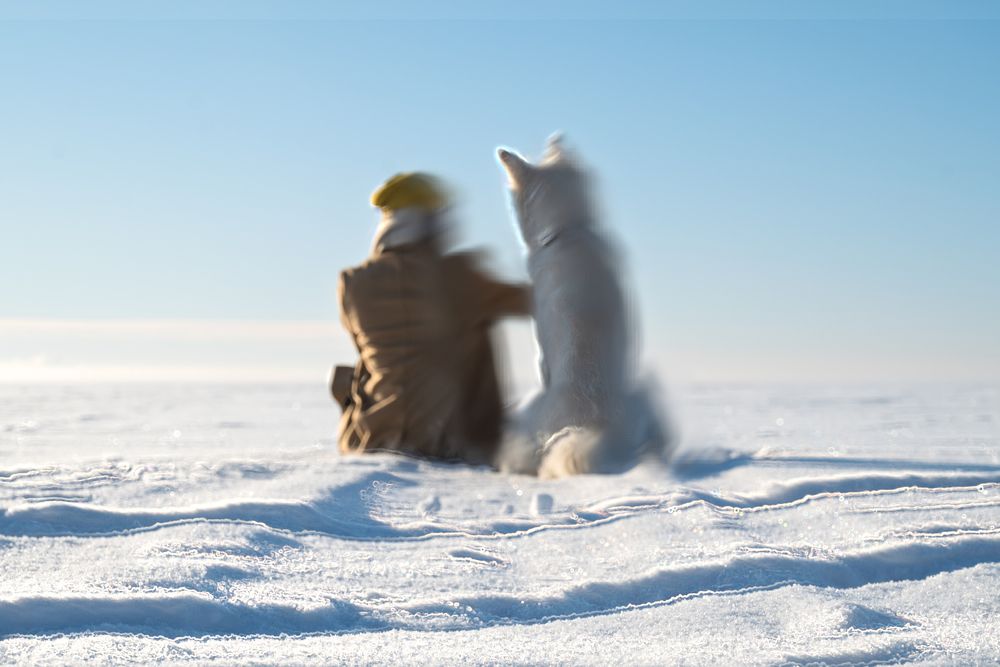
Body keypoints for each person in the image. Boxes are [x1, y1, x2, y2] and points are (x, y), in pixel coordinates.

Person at [332, 172, 530, 466]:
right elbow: (532, 301)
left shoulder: (353, 282)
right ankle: (484, 435)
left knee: (373, 359)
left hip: (368, 438)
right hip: (445, 444)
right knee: (474, 327)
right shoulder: (456, 274)